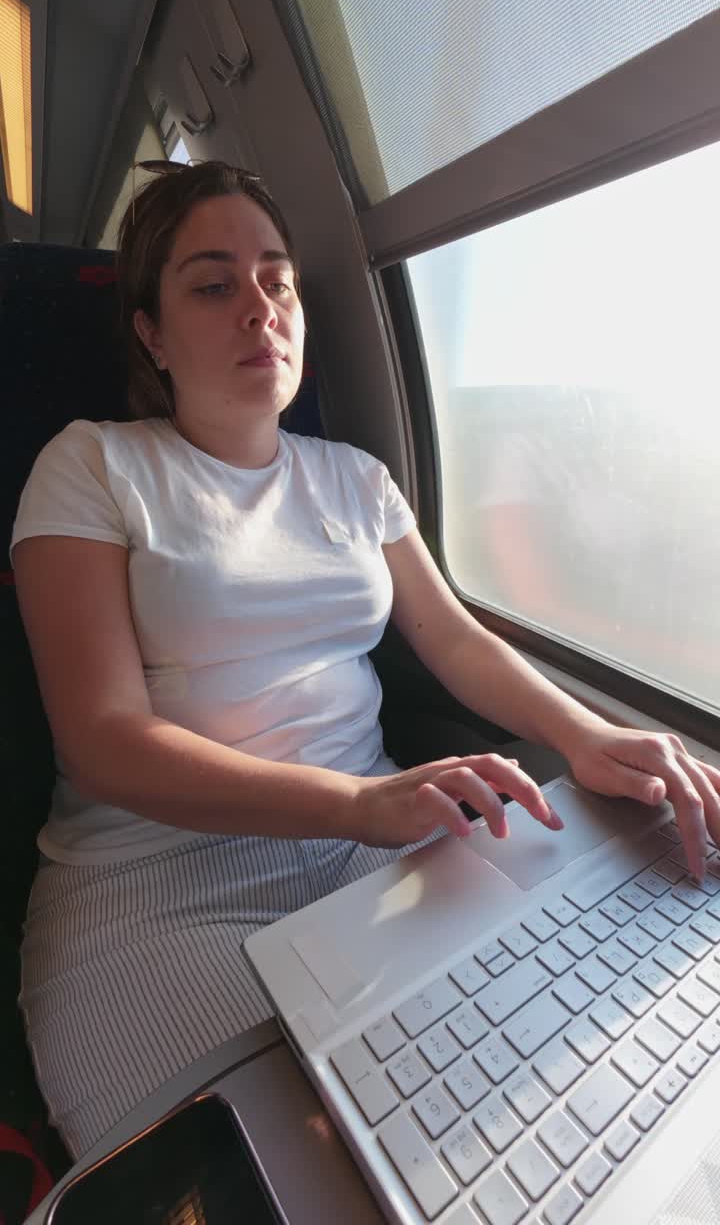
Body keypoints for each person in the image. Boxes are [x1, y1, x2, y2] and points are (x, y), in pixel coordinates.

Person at [10, 161, 720, 1160]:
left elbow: (456, 639)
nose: (259, 306)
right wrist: (352, 803)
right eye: (214, 284)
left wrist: (589, 731)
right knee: (300, 1165)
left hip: (372, 838)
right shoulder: (94, 464)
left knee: (520, 1092)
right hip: (158, 879)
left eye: (278, 279)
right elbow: (105, 740)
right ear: (151, 331)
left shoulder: (357, 478)